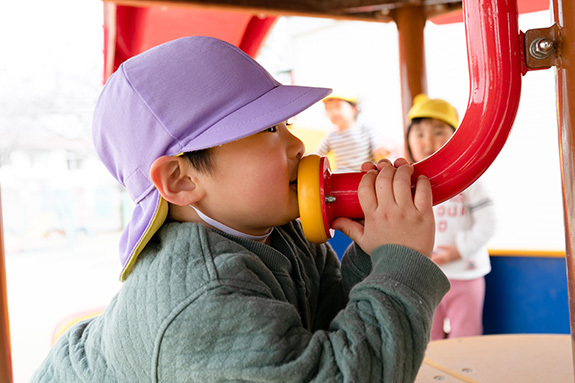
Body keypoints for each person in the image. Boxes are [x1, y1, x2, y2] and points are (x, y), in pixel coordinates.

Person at [32, 37, 449, 382]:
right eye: (267, 129)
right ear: (181, 180)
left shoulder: (282, 232)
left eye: (285, 124)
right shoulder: (202, 301)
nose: (296, 144)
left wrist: (376, 255)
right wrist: (401, 266)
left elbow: (333, 330)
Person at [406, 93, 496, 340]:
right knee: (427, 340)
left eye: (438, 132)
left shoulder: (469, 179)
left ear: (455, 138)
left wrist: (457, 250)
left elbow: (488, 222)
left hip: (465, 272)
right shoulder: (407, 183)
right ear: (409, 139)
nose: (428, 141)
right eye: (420, 133)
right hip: (424, 277)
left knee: (465, 338)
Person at [316, 92, 402, 171]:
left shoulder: (366, 129)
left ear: (354, 109)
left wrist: (383, 150)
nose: (333, 112)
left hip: (365, 173)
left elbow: (377, 147)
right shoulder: (331, 136)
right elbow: (317, 155)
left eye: (337, 106)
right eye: (328, 109)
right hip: (342, 177)